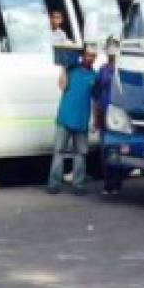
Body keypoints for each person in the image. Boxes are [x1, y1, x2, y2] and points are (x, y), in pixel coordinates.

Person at [46, 44, 98, 196]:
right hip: (64, 118)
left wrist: (95, 120)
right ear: (83, 55)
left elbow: (95, 100)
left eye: (93, 56)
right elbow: (62, 86)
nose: (90, 58)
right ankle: (54, 183)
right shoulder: (71, 69)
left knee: (80, 154)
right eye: (88, 55)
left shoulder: (94, 76)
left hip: (81, 121)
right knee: (58, 152)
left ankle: (78, 184)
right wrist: (63, 67)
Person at [94, 37, 122, 196]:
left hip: (118, 113)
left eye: (114, 47)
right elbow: (96, 95)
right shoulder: (103, 69)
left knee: (116, 148)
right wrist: (96, 117)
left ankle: (116, 183)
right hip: (104, 111)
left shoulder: (121, 69)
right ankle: (107, 183)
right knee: (105, 148)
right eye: (110, 47)